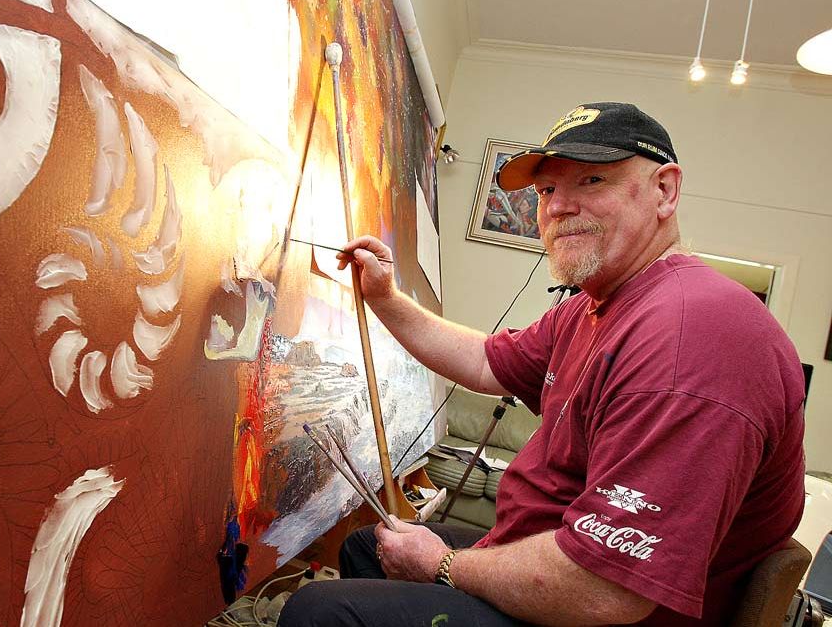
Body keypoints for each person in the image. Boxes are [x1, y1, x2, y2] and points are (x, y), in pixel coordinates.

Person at [277, 102, 806, 626]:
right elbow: (485, 362)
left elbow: (606, 589)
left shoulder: (693, 336)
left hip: (596, 607)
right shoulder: (594, 305)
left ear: (664, 190)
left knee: (318, 611)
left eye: (592, 180)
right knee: (368, 547)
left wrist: (443, 565)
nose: (558, 207)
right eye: (547, 190)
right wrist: (386, 298)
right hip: (556, 554)